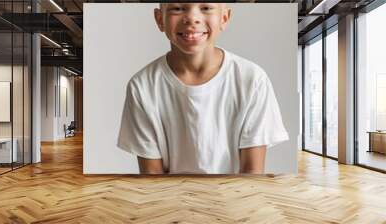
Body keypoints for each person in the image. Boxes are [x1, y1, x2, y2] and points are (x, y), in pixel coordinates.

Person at [117, 3, 289, 174]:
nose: (192, 18)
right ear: (160, 19)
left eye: (206, 8)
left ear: (224, 18)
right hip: (169, 198)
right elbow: (152, 175)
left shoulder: (252, 79)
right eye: (178, 8)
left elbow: (252, 171)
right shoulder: (142, 86)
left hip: (235, 197)